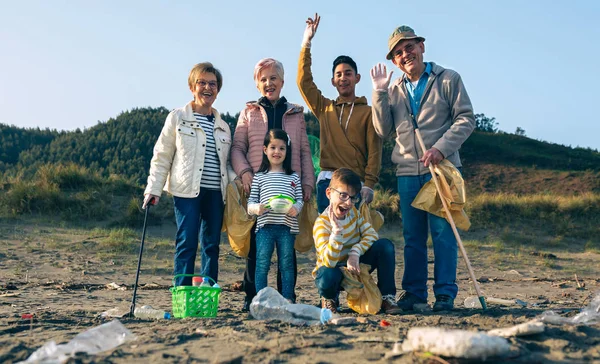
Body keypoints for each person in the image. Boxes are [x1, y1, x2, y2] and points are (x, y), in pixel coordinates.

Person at [370, 26, 475, 311]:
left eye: (409, 47)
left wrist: (441, 148)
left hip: (443, 170)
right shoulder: (393, 90)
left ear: (422, 46)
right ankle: (415, 293)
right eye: (398, 52)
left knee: (443, 232)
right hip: (407, 172)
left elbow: (466, 119)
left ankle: (444, 294)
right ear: (394, 61)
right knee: (412, 237)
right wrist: (379, 93)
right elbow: (382, 130)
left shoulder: (448, 78)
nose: (405, 55)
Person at [231, 58, 315, 310]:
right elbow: (237, 148)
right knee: (256, 246)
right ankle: (252, 296)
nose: (269, 83)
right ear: (258, 84)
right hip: (258, 186)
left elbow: (303, 150)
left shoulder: (296, 112)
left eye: (273, 78)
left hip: (290, 186)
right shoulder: (249, 112)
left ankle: (286, 296)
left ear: (282, 81)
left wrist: (308, 183)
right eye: (263, 79)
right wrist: (245, 172)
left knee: (286, 245)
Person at [143, 62, 233, 287]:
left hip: (215, 194)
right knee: (187, 241)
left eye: (212, 84)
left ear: (218, 90)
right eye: (201, 82)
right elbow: (162, 155)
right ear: (192, 87)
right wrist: (153, 189)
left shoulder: (224, 126)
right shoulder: (178, 117)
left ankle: (207, 291)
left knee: (211, 245)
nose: (207, 88)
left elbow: (228, 164)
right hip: (186, 191)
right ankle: (182, 291)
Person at [297, 13, 382, 213]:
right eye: (338, 74)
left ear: (357, 78)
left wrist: (369, 184)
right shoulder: (325, 108)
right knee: (327, 238)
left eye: (348, 73)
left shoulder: (369, 112)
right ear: (333, 81)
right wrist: (306, 43)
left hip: (356, 183)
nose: (343, 78)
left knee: (352, 238)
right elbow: (303, 82)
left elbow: (375, 151)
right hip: (327, 182)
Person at [312, 168, 401, 314]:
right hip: (334, 270)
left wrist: (355, 252)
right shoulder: (321, 224)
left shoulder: (354, 213)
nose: (348, 202)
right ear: (329, 193)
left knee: (385, 246)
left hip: (355, 266)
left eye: (353, 198)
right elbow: (329, 261)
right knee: (326, 274)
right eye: (343, 195)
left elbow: (371, 234)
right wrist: (336, 233)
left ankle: (387, 296)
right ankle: (329, 298)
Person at [247, 129, 304, 302]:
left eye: (282, 148)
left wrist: (296, 208)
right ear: (265, 150)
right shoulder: (259, 177)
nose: (277, 152)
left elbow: (300, 199)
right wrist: (257, 208)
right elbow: (249, 205)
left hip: (287, 228)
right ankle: (261, 300)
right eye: (273, 147)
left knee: (286, 264)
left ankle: (287, 299)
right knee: (262, 264)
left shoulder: (293, 176)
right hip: (264, 228)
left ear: (287, 151)